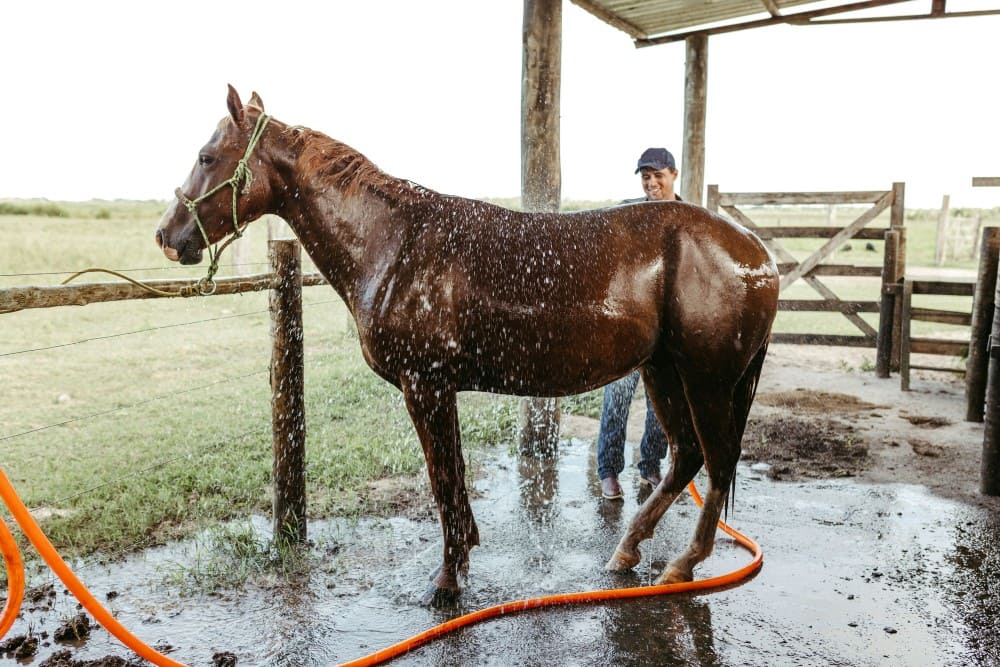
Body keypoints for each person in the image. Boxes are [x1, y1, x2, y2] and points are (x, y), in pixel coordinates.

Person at [597, 147, 680, 500]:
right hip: (628, 326)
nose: (651, 183)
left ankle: (650, 464)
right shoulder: (626, 214)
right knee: (616, 398)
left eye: (658, 175)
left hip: (669, 329)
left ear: (674, 174)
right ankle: (608, 471)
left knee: (662, 404)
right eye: (646, 177)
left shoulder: (689, 218)